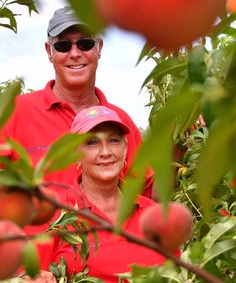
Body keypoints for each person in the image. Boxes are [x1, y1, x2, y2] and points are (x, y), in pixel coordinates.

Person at [0, 5, 153, 196]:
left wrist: (178, 137)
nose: (75, 54)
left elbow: (146, 194)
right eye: (63, 46)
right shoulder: (16, 112)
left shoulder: (121, 122)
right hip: (36, 237)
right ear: (49, 51)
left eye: (85, 44)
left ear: (99, 48)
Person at [24, 106, 171, 283]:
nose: (105, 152)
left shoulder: (152, 213)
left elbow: (176, 272)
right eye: (92, 142)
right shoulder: (54, 216)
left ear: (125, 148)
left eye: (114, 140)